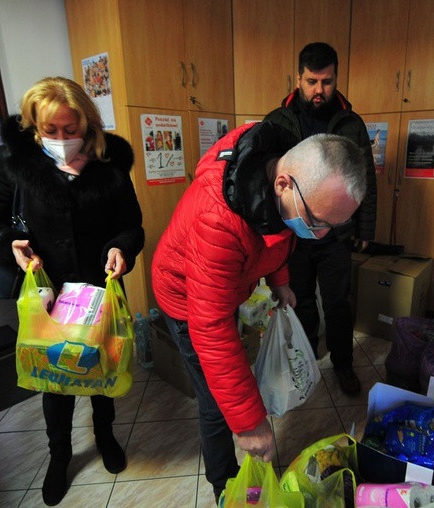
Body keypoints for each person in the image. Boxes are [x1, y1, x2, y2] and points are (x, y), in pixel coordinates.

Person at [151, 120, 367, 502]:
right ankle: (223, 485)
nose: (318, 236)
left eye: (331, 228)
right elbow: (211, 328)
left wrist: (279, 280)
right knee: (217, 405)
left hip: (226, 288)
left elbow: (276, 236)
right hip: (185, 300)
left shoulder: (283, 180)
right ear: (282, 183)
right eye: (316, 222)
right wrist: (249, 423)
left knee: (227, 388)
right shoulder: (217, 217)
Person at [0, 76, 144, 506]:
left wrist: (121, 247)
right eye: (51, 131)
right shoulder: (14, 161)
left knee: (101, 371)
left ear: (88, 123)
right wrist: (9, 242)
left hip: (97, 289)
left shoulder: (109, 163)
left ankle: (105, 436)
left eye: (72, 130)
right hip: (47, 292)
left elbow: (131, 225)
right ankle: (59, 454)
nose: (63, 139)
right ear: (33, 127)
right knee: (54, 381)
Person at [263, 42, 377, 395]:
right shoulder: (277, 120)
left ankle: (343, 364)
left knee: (338, 302)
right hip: (293, 234)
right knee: (301, 301)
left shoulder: (351, 123)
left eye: (327, 82)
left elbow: (365, 179)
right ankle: (308, 360)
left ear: (336, 78)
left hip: (336, 234)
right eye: (312, 81)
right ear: (298, 78)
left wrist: (365, 228)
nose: (319, 90)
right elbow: (268, 180)